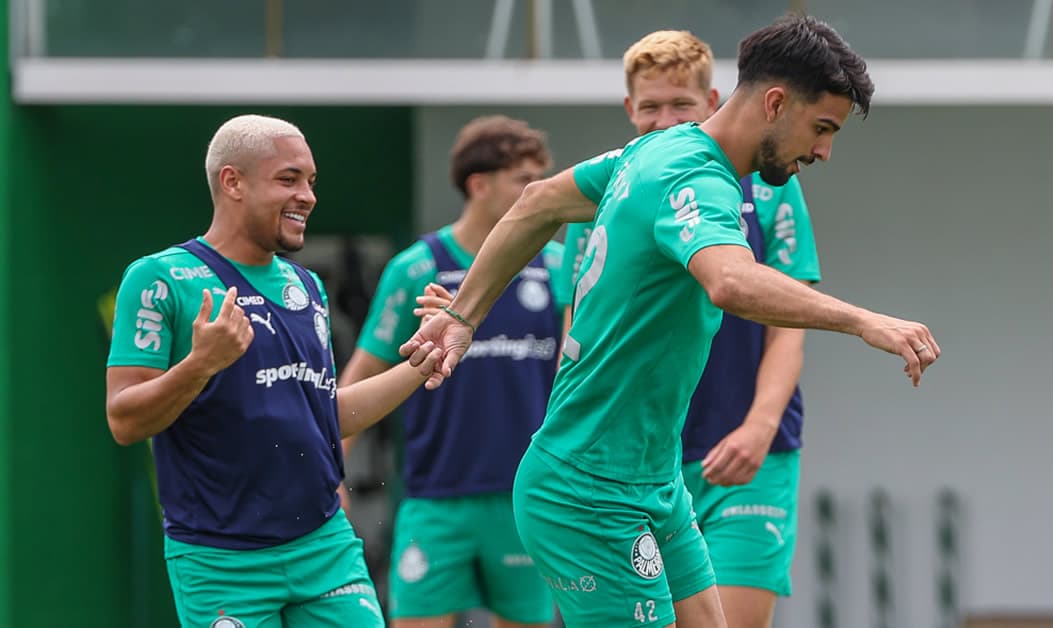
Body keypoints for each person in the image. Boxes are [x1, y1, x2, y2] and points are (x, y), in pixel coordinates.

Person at [402, 15, 941, 628]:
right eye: (822, 128)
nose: (824, 152)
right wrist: (863, 321)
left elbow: (537, 202)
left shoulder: (650, 151)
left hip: (652, 478)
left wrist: (462, 313)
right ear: (774, 103)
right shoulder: (694, 175)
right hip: (589, 487)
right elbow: (730, 281)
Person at [105, 114, 443, 628]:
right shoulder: (159, 279)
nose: (307, 196)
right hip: (220, 561)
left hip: (324, 546)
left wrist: (424, 359)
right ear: (232, 182)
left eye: (311, 181)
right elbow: (124, 420)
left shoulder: (307, 287)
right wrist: (200, 364)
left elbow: (325, 416)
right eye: (289, 179)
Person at [550, 29, 822, 628]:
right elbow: (579, 336)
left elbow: (788, 329)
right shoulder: (613, 188)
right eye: (650, 107)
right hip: (633, 460)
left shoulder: (771, 187)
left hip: (744, 453)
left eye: (681, 104)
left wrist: (759, 427)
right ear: (629, 108)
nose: (665, 119)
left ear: (713, 102)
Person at [340, 115, 562, 628]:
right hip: (435, 500)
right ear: (479, 185)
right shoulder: (416, 268)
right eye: (523, 180)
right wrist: (330, 468)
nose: (537, 192)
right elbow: (363, 371)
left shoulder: (555, 266)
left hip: (524, 499)